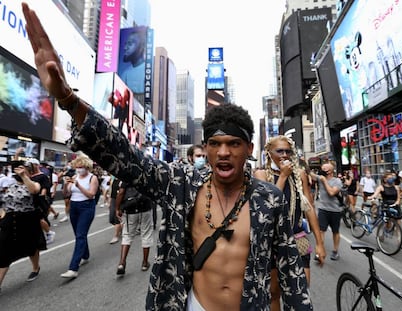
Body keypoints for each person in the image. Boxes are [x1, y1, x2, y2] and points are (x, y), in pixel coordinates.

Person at [22, 4, 312, 310]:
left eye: (234, 144)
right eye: (215, 143)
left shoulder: (270, 199)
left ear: (249, 150)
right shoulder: (181, 184)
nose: (224, 152)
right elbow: (125, 156)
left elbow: (291, 274)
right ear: (206, 147)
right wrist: (67, 97)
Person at [254, 135, 326, 310]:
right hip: (271, 244)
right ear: (269, 153)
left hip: (297, 240)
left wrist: (319, 243)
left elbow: (309, 208)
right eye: (280, 151)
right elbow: (269, 207)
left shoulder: (300, 175)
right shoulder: (261, 174)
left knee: (300, 293)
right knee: (274, 295)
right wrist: (283, 177)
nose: (285, 155)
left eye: (288, 151)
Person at [0, 160, 46, 290]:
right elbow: (3, 200)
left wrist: (24, 176)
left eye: (22, 168)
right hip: (9, 220)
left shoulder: (34, 183)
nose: (19, 171)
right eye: (17, 169)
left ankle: (36, 268)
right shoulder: (9, 184)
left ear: (29, 171)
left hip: (27, 220)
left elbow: (34, 191)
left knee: (31, 247)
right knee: (3, 251)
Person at [60, 154, 99, 278]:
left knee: (80, 235)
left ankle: (73, 268)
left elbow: (91, 195)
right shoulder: (74, 177)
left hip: (86, 207)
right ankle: (85, 255)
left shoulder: (92, 178)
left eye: (81, 167)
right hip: (74, 206)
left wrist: (78, 186)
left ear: (87, 167)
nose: (79, 169)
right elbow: (66, 194)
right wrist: (66, 185)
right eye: (77, 167)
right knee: (79, 234)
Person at [115, 181, 153, 275]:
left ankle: (122, 262)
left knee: (127, 235)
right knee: (146, 234)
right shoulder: (145, 174)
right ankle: (144, 263)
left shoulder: (127, 175)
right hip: (145, 207)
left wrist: (117, 208)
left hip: (130, 209)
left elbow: (121, 192)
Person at [310, 163, 343, 261]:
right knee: (321, 231)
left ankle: (335, 251)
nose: (322, 170)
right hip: (323, 209)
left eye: (324, 169)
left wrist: (324, 181)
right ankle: (319, 251)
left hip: (335, 210)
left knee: (335, 231)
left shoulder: (337, 181)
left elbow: (332, 192)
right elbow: (309, 173)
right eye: (322, 168)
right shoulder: (320, 178)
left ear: (330, 171)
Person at [367, 171, 402, 250]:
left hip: (395, 206)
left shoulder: (396, 187)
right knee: (388, 224)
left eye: (392, 178)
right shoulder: (381, 187)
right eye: (389, 178)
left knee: (398, 225)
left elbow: (398, 198)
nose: (391, 179)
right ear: (385, 179)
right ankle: (381, 235)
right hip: (386, 206)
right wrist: (370, 197)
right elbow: (375, 194)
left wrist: (396, 203)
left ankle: (400, 243)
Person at [119, 28, 146, 93]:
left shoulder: (150, 70)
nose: (125, 48)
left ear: (142, 46)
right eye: (125, 44)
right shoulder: (125, 74)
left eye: (130, 44)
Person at [108, 177, 122, 244]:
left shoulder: (123, 178)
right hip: (113, 199)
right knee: (111, 219)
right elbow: (111, 189)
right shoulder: (113, 178)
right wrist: (109, 201)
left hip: (121, 199)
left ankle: (116, 236)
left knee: (117, 218)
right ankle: (121, 228)